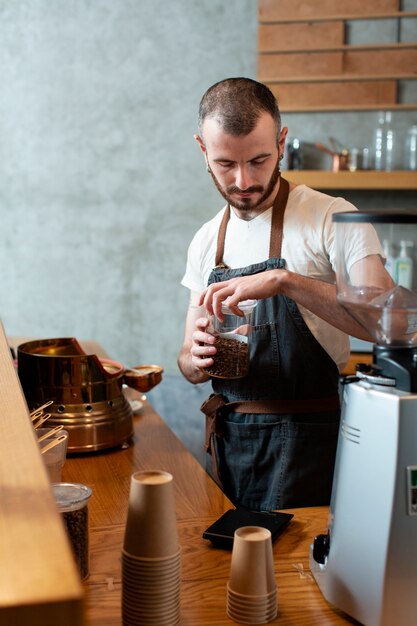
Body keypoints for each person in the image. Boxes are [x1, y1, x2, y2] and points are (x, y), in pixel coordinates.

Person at [177, 77, 391, 511]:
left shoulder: (333, 217)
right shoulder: (206, 241)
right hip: (232, 447)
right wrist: (195, 357)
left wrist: (285, 282)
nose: (243, 180)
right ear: (203, 150)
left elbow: (390, 325)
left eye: (258, 160)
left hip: (312, 445)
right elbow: (187, 364)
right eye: (225, 164)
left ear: (281, 140)